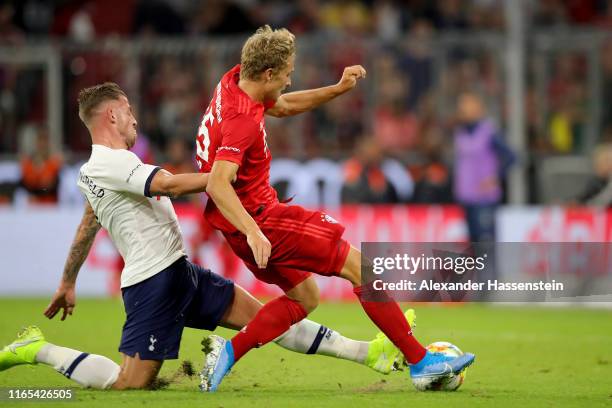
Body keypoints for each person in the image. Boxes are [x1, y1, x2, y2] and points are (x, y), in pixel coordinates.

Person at [0, 82, 411, 390]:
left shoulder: (110, 166)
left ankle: (366, 352)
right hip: (152, 284)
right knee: (130, 382)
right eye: (128, 112)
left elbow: (88, 223)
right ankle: (37, 349)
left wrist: (68, 281)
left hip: (181, 273)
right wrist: (222, 178)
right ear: (110, 116)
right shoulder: (105, 164)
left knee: (264, 319)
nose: (135, 119)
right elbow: (170, 186)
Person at [195, 25, 475, 392]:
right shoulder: (242, 120)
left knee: (305, 297)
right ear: (267, 74)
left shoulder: (234, 81)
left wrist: (338, 89)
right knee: (361, 268)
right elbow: (217, 183)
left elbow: (281, 105)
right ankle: (421, 361)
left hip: (243, 227)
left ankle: (228, 353)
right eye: (287, 74)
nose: (290, 80)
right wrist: (253, 229)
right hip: (263, 222)